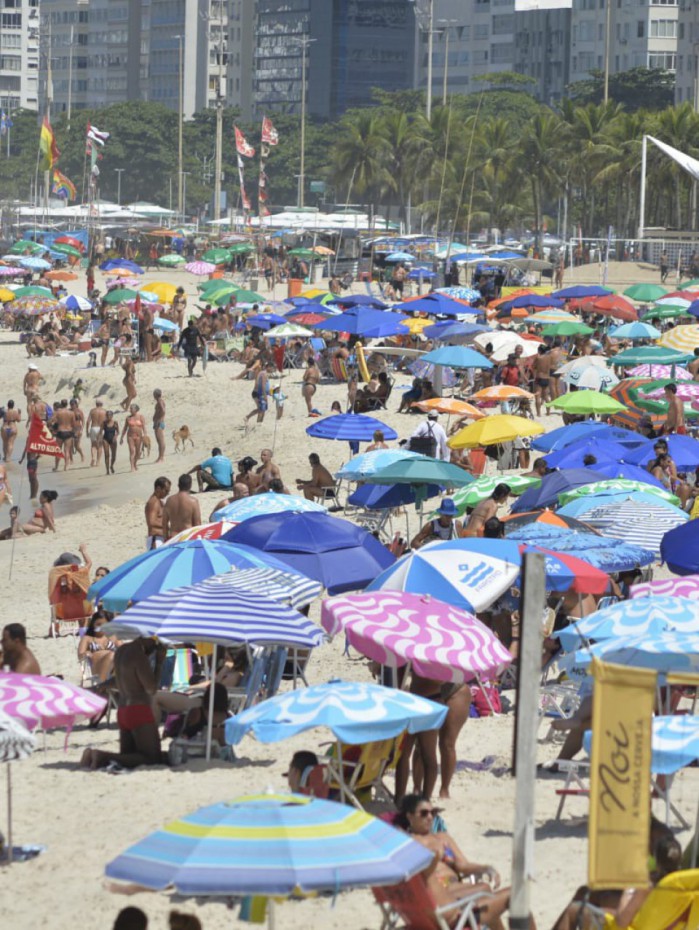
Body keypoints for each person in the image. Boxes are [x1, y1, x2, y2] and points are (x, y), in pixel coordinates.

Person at [396, 794, 527, 930]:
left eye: (433, 812)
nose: (430, 817)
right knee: (485, 889)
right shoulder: (410, 842)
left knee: (485, 891)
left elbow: (462, 864)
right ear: (409, 816)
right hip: (442, 894)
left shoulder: (442, 837)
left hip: (456, 889)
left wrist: (487, 868)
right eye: (424, 813)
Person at [81, 636, 167, 770]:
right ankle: (100, 756)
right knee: (153, 757)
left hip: (123, 711)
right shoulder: (138, 655)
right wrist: (160, 662)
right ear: (146, 638)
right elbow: (151, 688)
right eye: (155, 643)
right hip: (138, 709)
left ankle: (94, 756)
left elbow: (120, 679)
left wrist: (102, 685)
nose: (155, 647)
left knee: (129, 756)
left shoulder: (121, 651)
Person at [78, 610, 121, 682]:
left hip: (113, 667)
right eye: (98, 624)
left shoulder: (113, 636)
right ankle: (102, 685)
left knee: (115, 657)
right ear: (93, 624)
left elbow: (124, 648)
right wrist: (86, 653)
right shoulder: (87, 638)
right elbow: (80, 655)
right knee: (112, 655)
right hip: (97, 666)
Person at [162, 474, 201, 539]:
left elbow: (164, 523)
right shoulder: (193, 501)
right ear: (190, 486)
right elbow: (197, 523)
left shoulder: (169, 500)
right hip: (188, 536)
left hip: (174, 537)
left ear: (178, 485)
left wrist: (166, 538)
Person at [145, 476, 171, 549]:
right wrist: (167, 526)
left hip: (159, 538)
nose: (167, 493)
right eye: (166, 491)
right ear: (158, 489)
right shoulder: (154, 502)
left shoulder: (158, 501)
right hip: (156, 539)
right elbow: (151, 522)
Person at [120, 403, 147, 473]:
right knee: (132, 451)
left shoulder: (141, 417)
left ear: (136, 409)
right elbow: (125, 428)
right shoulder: (128, 418)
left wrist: (145, 435)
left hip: (139, 436)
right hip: (130, 436)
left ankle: (135, 463)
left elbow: (144, 427)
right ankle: (132, 466)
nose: (130, 410)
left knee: (138, 452)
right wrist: (121, 437)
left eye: (131, 408)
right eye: (130, 408)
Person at [85, 399, 107, 467]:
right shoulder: (105, 411)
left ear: (96, 404)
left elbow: (88, 421)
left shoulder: (92, 411)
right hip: (100, 429)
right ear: (102, 404)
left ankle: (93, 457)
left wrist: (87, 431)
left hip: (93, 428)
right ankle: (98, 462)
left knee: (93, 445)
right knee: (100, 446)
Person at [532, 345, 553, 416]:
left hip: (539, 377)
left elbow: (533, 366)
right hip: (547, 377)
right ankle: (548, 412)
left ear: (539, 350)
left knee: (538, 396)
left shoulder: (538, 358)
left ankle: (538, 413)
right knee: (546, 396)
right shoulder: (549, 358)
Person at [102, 410, 119, 475]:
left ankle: (111, 465)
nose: (108, 416)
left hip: (113, 439)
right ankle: (107, 471)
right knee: (106, 455)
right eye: (107, 415)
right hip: (105, 439)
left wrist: (115, 436)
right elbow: (101, 431)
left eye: (109, 415)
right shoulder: (104, 423)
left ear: (112, 416)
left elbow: (118, 432)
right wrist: (99, 438)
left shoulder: (115, 422)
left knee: (114, 455)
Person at [152, 389, 166, 463]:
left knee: (160, 440)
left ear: (155, 395)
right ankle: (160, 456)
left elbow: (163, 411)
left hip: (159, 422)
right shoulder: (159, 401)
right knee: (159, 440)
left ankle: (161, 457)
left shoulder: (160, 401)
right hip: (158, 422)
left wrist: (159, 418)